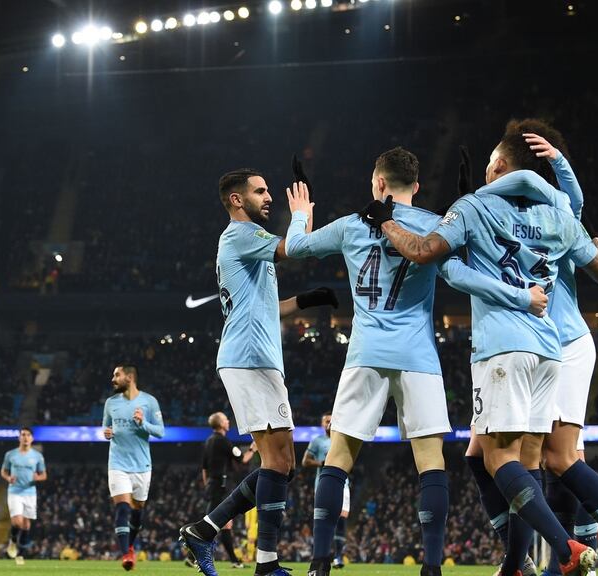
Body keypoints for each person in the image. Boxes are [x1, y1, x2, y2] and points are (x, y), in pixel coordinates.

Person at [364, 121, 598, 576]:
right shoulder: (555, 210)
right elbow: (590, 242)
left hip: (508, 345)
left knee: (514, 458)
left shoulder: (479, 208)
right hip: (548, 349)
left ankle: (570, 549)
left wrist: (385, 220)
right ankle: (517, 561)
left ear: (498, 165)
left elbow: (426, 252)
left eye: (488, 165)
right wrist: (560, 165)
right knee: (515, 458)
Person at [286, 147, 544, 576]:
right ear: (417, 186)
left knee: (339, 459)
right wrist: (518, 294)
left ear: (379, 183)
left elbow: (295, 247)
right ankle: (431, 566)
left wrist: (300, 213)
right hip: (418, 356)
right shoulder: (432, 227)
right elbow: (462, 274)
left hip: (365, 355)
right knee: (431, 462)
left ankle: (318, 563)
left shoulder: (351, 225)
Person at [465, 124, 598, 576]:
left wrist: (559, 166)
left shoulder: (553, 210)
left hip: (562, 342)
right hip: (527, 342)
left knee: (552, 457)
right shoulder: (504, 211)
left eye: (497, 161)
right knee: (482, 454)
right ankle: (532, 560)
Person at [179, 169, 338, 576]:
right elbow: (297, 248)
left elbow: (268, 305)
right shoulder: (240, 235)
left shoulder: (247, 243)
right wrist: (300, 213)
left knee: (281, 462)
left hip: (257, 358)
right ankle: (265, 563)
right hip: (249, 359)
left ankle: (204, 530)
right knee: (278, 460)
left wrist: (306, 299)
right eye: (260, 191)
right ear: (236, 199)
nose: (268, 197)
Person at [103, 365, 164, 571]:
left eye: (116, 375)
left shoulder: (149, 401)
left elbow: (160, 432)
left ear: (129, 377)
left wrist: (143, 423)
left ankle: (130, 544)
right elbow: (105, 426)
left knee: (138, 512)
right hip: (117, 463)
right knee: (122, 507)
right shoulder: (110, 403)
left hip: (142, 466)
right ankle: (126, 554)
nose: (113, 378)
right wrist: (107, 432)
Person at [198, 412, 246, 569]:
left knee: (224, 523)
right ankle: (194, 555)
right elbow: (242, 459)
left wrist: (208, 485)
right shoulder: (223, 441)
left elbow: (204, 468)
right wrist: (254, 449)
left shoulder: (208, 441)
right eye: (225, 419)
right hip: (221, 486)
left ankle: (234, 560)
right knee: (211, 523)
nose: (228, 421)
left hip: (213, 485)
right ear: (220, 424)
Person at [302, 414, 350, 569]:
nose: (329, 423)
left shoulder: (342, 440)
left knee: (341, 519)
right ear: (322, 424)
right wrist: (322, 463)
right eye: (327, 421)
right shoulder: (317, 441)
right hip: (322, 484)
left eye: (331, 420)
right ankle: (322, 554)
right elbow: (305, 461)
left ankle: (338, 556)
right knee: (325, 519)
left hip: (344, 484)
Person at [2, 427, 46, 565]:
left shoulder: (37, 456)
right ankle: (13, 541)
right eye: (23, 435)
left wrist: (37, 478)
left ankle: (20, 553)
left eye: (28, 435)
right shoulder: (10, 454)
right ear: (19, 438)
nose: (25, 437)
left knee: (26, 525)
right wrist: (8, 478)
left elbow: (44, 475)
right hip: (14, 491)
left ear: (32, 438)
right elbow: (3, 471)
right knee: (17, 521)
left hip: (30, 492)